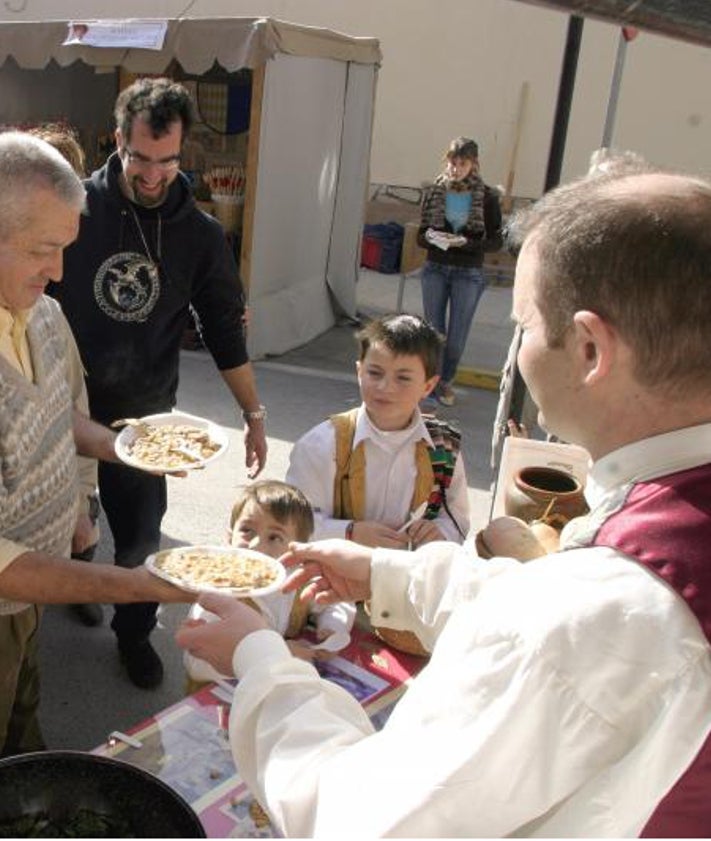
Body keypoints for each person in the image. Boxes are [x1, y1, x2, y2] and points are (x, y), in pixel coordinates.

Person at [176, 163, 711, 837]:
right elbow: (539, 608)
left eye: (523, 325)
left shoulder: (598, 615)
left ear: (588, 347)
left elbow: (358, 817)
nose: (515, 354)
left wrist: (259, 659)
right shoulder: (658, 526)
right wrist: (385, 571)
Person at [52, 77, 268, 689]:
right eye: (140, 159)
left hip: (144, 420)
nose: (152, 176)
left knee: (142, 540)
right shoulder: (76, 208)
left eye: (167, 162)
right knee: (70, 520)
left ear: (184, 153)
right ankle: (77, 575)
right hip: (64, 405)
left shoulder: (198, 235)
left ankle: (133, 633)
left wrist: (253, 415)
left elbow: (224, 330)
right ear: (118, 140)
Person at [0, 131, 192, 758]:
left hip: (30, 596)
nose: (58, 272)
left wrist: (130, 448)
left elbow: (57, 415)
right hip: (14, 586)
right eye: (44, 250)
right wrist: (134, 585)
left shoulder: (44, 314)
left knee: (24, 725)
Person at [286, 313, 470, 549]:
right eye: (375, 373)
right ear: (359, 371)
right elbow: (291, 523)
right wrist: (348, 532)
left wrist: (439, 532)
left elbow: (457, 518)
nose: (385, 387)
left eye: (403, 378)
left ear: (428, 386)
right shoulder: (321, 444)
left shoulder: (444, 447)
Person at [28, 123, 103, 628]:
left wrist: (80, 502)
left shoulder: (47, 317)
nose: (57, 267)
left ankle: (76, 583)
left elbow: (69, 407)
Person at [184, 480, 355, 692]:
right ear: (229, 537)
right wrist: (277, 653)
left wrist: (331, 628)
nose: (256, 545)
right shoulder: (217, 595)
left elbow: (336, 602)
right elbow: (196, 664)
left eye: (274, 537)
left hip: (274, 690)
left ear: (299, 550)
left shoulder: (296, 579)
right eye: (247, 530)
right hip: (221, 695)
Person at [418, 136, 502, 406]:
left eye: (462, 163)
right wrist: (432, 238)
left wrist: (466, 242)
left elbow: (496, 241)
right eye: (452, 163)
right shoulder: (435, 191)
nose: (455, 168)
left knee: (455, 339)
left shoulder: (487, 197)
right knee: (434, 333)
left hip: (467, 272)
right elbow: (421, 235)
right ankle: (432, 385)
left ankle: (445, 380)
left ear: (473, 164)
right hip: (436, 268)